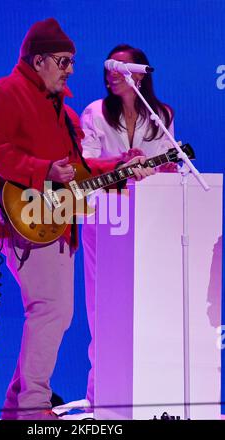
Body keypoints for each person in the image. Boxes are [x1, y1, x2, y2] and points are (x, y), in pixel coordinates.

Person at [0, 22, 154, 421]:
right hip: (24, 218)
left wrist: (121, 165)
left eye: (71, 62)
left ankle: (18, 406)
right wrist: (44, 170)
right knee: (52, 311)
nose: (70, 69)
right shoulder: (4, 93)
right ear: (37, 61)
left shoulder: (65, 111)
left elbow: (80, 168)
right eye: (63, 61)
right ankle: (33, 408)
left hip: (56, 220)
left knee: (51, 311)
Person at [80, 44, 177, 407]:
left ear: (140, 73)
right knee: (102, 306)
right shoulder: (94, 113)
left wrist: (160, 169)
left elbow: (166, 163)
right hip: (103, 218)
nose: (111, 74)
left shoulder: (161, 115)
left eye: (120, 68)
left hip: (150, 221)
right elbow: (84, 164)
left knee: (148, 305)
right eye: (108, 68)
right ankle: (100, 396)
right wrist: (120, 166)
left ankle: (148, 393)